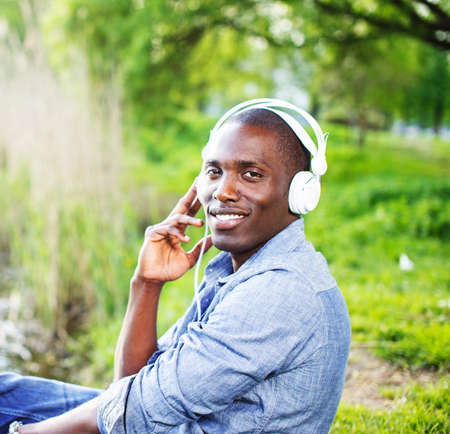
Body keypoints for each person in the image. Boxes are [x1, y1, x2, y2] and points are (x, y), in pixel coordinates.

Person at [0, 99, 351, 433]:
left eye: (251, 174)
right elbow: (132, 387)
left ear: (301, 192)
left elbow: (132, 412)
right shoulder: (240, 271)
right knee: (5, 393)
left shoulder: (279, 293)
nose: (222, 191)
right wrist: (146, 284)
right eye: (214, 171)